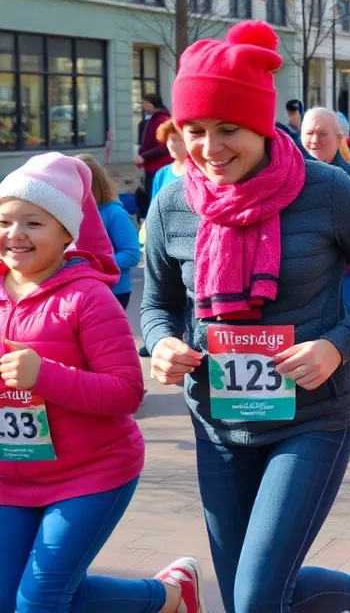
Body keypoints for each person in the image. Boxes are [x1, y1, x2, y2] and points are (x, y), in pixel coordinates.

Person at [141, 21, 350, 610]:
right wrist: (160, 341)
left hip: (310, 415)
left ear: (262, 126)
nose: (210, 149)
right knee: (252, 591)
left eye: (228, 130)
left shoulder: (329, 189)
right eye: (194, 131)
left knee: (257, 597)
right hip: (217, 422)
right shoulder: (172, 201)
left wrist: (339, 344)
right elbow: (156, 302)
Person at [0, 153, 205, 613]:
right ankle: (171, 597)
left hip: (88, 475)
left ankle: (166, 596)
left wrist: (45, 376)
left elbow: (127, 392)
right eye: (5, 221)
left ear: (66, 234)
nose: (15, 234)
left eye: (33, 222)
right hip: (9, 478)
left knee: (40, 603)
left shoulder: (88, 297)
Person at [302, 107, 350, 314]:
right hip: (298, 282)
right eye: (309, 133)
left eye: (322, 133)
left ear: (338, 139)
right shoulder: (289, 177)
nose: (315, 139)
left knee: (339, 341)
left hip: (343, 278)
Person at [76, 154, 141, 310]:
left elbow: (131, 254)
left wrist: (93, 267)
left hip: (112, 291)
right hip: (78, 290)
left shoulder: (114, 213)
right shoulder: (69, 213)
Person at [135, 93, 173, 219]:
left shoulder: (162, 120)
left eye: (144, 103)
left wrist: (144, 156)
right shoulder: (153, 119)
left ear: (149, 104)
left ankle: (154, 220)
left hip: (158, 166)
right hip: (152, 166)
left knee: (156, 195)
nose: (143, 106)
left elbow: (163, 146)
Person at [149, 119, 188, 205]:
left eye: (175, 139)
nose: (170, 144)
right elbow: (154, 209)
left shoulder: (201, 172)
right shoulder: (162, 174)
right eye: (168, 139)